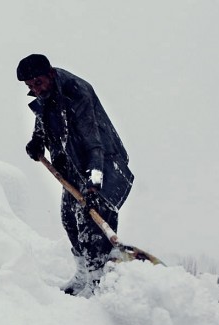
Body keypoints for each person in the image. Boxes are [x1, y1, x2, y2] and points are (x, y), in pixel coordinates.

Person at [17, 54, 134, 296]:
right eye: (30, 86)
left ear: (50, 73)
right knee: (70, 219)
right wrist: (38, 140)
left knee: (91, 227)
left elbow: (94, 143)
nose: (34, 89)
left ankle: (97, 282)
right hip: (72, 166)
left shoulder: (76, 92)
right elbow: (44, 117)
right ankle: (83, 276)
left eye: (37, 83)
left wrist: (93, 187)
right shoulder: (46, 93)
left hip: (102, 165)